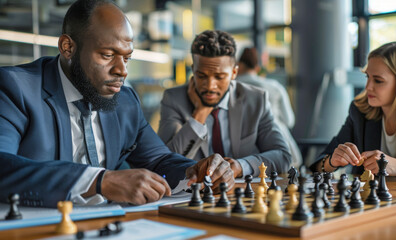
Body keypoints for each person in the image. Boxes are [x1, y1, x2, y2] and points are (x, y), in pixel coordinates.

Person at [0, 0, 234, 208]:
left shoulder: (126, 101)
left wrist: (194, 170)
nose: (122, 70)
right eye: (107, 55)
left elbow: (158, 160)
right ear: (67, 47)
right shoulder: (15, 88)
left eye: (127, 57)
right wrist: (99, 181)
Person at [158, 30, 291, 178]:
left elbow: (283, 156)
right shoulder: (174, 99)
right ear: (193, 70)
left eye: (219, 77)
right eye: (201, 76)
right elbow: (164, 163)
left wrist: (240, 166)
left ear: (234, 73)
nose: (210, 86)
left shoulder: (256, 99)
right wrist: (199, 114)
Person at [311, 42, 396, 180]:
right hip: (374, 200)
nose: (368, 87)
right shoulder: (361, 111)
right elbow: (316, 166)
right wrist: (331, 161)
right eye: (368, 77)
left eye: (378, 81)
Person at [236, 47, 302, 167]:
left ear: (238, 66)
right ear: (257, 68)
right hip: (280, 144)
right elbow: (289, 121)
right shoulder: (274, 86)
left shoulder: (232, 86)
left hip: (243, 151)